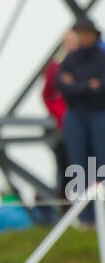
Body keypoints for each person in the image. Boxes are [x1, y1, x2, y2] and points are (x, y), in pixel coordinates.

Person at [54, 16, 105, 227]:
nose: (83, 37)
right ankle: (86, 218)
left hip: (98, 113)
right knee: (78, 165)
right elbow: (61, 83)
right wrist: (87, 86)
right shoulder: (71, 58)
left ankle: (101, 214)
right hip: (75, 115)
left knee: (100, 163)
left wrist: (76, 85)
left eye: (86, 33)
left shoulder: (101, 57)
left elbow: (100, 87)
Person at [42, 28, 79, 217]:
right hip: (63, 129)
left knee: (86, 168)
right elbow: (47, 94)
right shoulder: (56, 67)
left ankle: (87, 213)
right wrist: (58, 113)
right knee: (65, 171)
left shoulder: (89, 64)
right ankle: (66, 215)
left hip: (84, 125)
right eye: (69, 42)